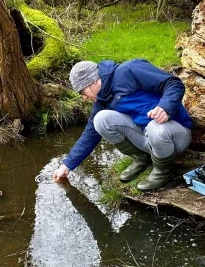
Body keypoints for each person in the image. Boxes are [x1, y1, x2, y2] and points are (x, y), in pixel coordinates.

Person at [52, 59, 192, 191]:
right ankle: (142, 159)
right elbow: (90, 134)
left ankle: (163, 171)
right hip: (147, 137)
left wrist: (165, 107)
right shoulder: (102, 100)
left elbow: (174, 83)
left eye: (82, 92)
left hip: (175, 136)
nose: (84, 97)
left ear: (93, 82)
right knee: (100, 120)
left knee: (155, 127)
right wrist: (67, 165)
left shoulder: (130, 70)